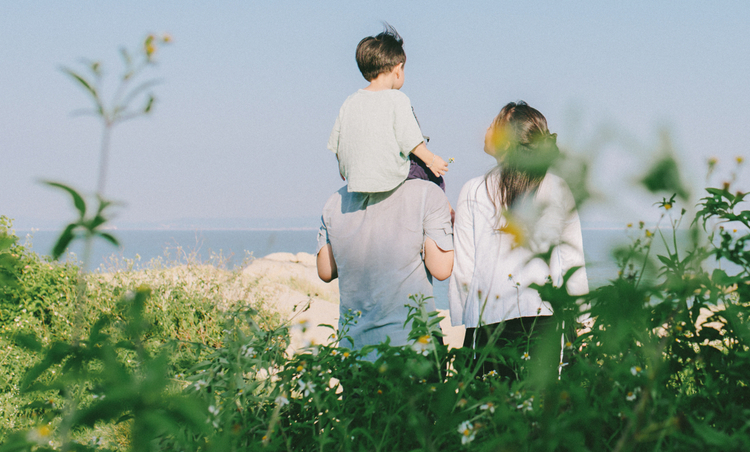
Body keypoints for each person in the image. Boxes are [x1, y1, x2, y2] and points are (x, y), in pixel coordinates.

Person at [448, 101, 588, 379]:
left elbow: (465, 269)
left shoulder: (474, 190)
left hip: (488, 321)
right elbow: (573, 260)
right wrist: (584, 320)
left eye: (493, 125)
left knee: (489, 412)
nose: (487, 130)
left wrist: (464, 321)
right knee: (545, 413)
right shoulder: (558, 187)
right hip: (548, 317)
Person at [316, 179, 454, 357]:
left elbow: (325, 271)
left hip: (355, 348)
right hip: (413, 346)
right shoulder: (426, 192)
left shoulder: (335, 201)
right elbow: (441, 269)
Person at [327, 24, 448, 193]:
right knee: (434, 179)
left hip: (357, 178)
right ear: (398, 69)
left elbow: (338, 144)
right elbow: (410, 139)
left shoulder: (350, 101)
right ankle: (448, 213)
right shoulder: (397, 98)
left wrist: (344, 168)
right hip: (389, 175)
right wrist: (432, 160)